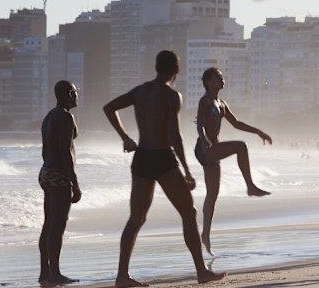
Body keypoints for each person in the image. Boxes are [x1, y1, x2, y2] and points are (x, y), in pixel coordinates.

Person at [103, 51, 225, 287]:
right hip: (162, 158)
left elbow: (109, 108)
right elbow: (174, 135)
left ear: (156, 67)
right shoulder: (171, 95)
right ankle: (201, 271)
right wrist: (188, 170)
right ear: (176, 70)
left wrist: (125, 137)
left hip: (141, 159)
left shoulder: (140, 91)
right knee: (188, 213)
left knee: (136, 218)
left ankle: (121, 277)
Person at [195, 67, 271, 256]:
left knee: (212, 194)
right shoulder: (205, 101)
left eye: (222, 77)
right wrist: (205, 140)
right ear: (208, 82)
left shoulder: (221, 103)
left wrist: (258, 131)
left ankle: (205, 235)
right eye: (218, 77)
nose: (222, 79)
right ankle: (250, 186)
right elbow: (200, 125)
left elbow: (236, 123)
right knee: (240, 146)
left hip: (214, 148)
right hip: (204, 148)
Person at [38, 80, 82, 284]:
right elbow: (65, 152)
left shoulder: (49, 116)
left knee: (49, 224)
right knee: (58, 225)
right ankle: (54, 274)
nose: (77, 95)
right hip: (59, 174)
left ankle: (44, 273)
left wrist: (49, 170)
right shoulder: (65, 116)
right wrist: (74, 182)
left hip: (46, 172)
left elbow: (45, 150)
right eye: (75, 92)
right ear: (69, 94)